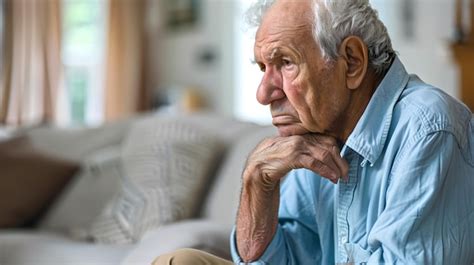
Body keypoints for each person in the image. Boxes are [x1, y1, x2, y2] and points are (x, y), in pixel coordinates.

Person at [153, 0, 474, 264]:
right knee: (182, 261)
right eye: (263, 68)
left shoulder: (429, 129)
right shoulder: (317, 136)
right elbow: (260, 260)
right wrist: (257, 181)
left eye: (286, 63)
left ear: (351, 62)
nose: (263, 94)